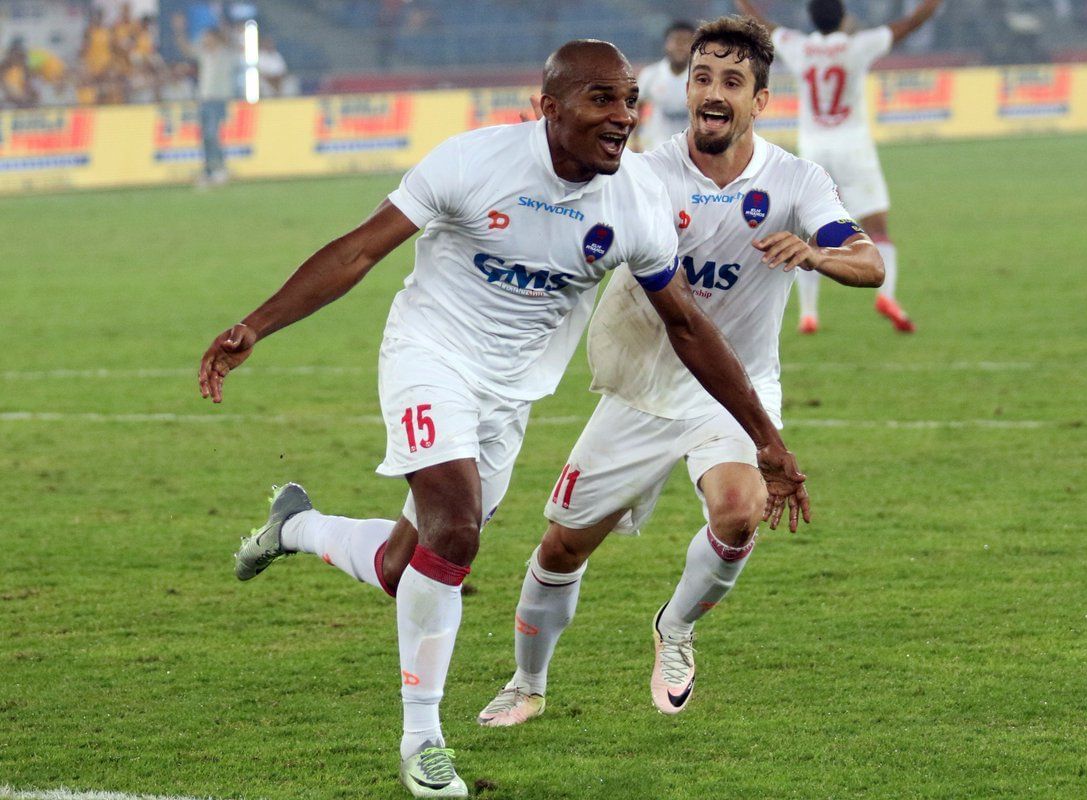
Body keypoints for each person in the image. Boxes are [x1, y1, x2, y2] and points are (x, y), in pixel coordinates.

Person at [198, 39, 810, 799]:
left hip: (508, 396)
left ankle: (293, 525)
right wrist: (256, 325)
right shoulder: (473, 163)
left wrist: (767, 439)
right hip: (430, 355)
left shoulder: (634, 204)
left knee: (406, 567)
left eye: (628, 101)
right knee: (455, 529)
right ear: (548, 108)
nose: (623, 118)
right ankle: (423, 743)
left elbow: (688, 329)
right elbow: (358, 252)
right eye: (601, 101)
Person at [474, 15, 883, 726]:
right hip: (643, 389)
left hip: (736, 394)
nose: (713, 93)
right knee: (562, 545)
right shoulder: (643, 176)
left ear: (761, 100)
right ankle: (526, 683)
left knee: (739, 511)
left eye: (732, 81)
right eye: (702, 78)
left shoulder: (796, 179)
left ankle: (676, 630)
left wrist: (817, 255)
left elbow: (869, 262)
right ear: (685, 90)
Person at [737, 0, 943, 334]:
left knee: (809, 233)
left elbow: (761, 24)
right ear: (844, 18)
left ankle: (809, 314)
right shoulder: (858, 46)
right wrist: (930, 6)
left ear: (811, 19)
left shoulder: (798, 46)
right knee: (877, 228)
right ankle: (886, 296)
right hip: (853, 146)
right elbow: (908, 25)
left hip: (814, 147)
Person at [172, 15, 239, 186]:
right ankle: (209, 170)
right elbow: (186, 49)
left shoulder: (226, 54)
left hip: (218, 100)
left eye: (207, 36)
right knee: (205, 137)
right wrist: (179, 30)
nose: (204, 40)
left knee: (212, 134)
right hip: (204, 99)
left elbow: (233, 43)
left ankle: (219, 168)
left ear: (215, 38)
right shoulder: (204, 54)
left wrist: (223, 23)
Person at [634, 20, 694, 152]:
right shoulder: (650, 75)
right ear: (666, 44)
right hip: (655, 149)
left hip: (691, 150)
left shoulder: (701, 77)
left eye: (686, 41)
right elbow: (636, 107)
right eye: (676, 41)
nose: (680, 46)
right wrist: (634, 139)